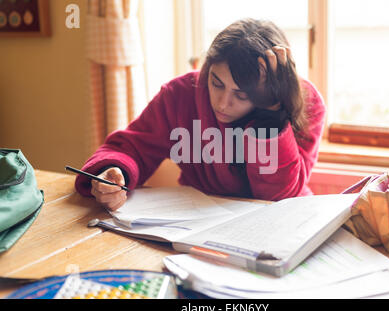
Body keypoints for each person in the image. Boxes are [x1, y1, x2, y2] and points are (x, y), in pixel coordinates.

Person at [75, 18, 326, 211]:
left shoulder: (307, 102)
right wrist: (113, 172)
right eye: (216, 83)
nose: (223, 104)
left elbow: (279, 198)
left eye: (241, 95)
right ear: (207, 69)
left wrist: (272, 115)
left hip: (281, 223)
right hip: (200, 220)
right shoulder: (181, 93)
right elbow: (131, 147)